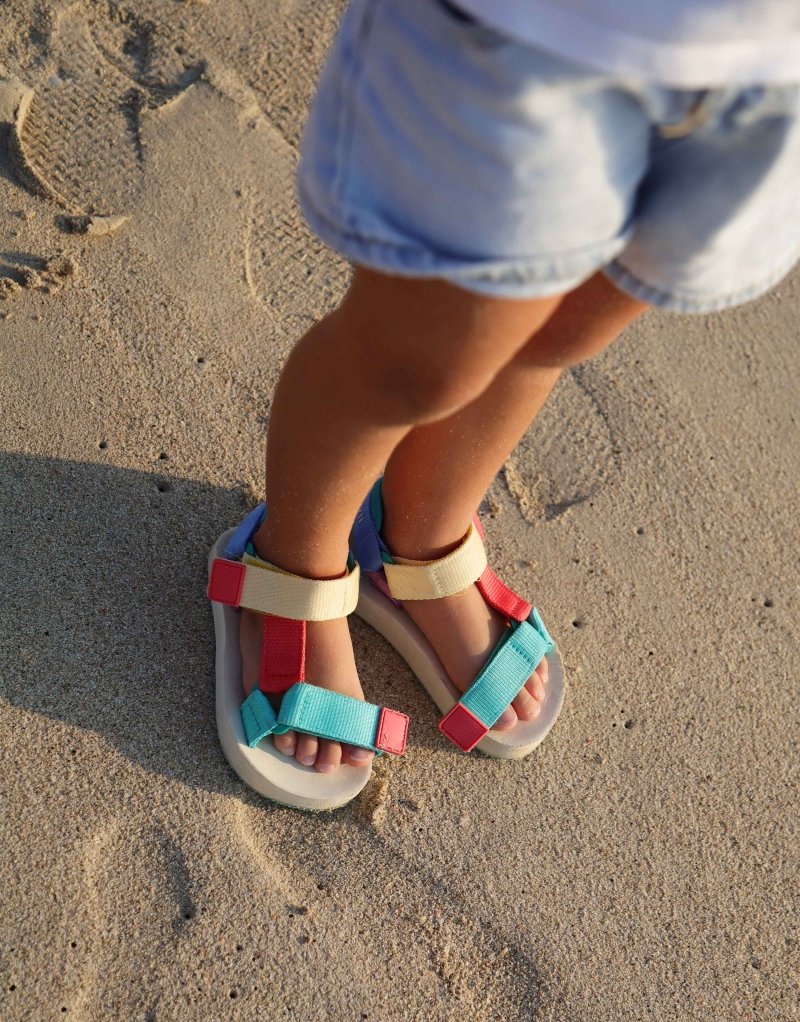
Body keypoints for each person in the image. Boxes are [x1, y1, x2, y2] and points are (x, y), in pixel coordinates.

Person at [208, 0, 800, 810]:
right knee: (417, 357)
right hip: (545, 32)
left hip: (769, 66)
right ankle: (292, 560)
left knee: (560, 329)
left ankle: (419, 538)